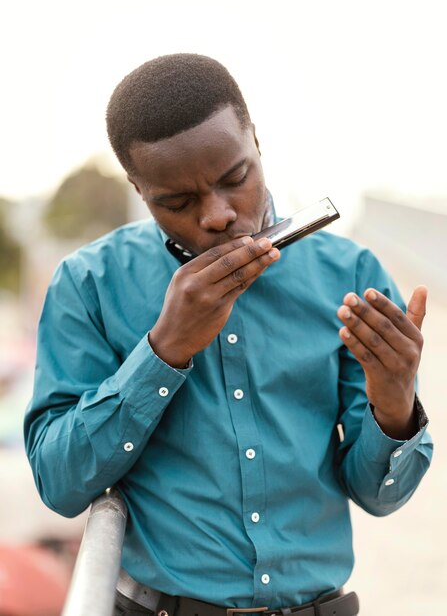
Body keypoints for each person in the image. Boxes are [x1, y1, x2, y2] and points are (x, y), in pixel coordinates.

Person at [24, 54, 433, 616]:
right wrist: (164, 351)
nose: (217, 215)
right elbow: (60, 483)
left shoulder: (350, 275)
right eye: (178, 201)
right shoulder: (89, 285)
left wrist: (394, 408)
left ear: (256, 143)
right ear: (139, 189)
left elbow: (380, 496)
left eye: (235, 178)